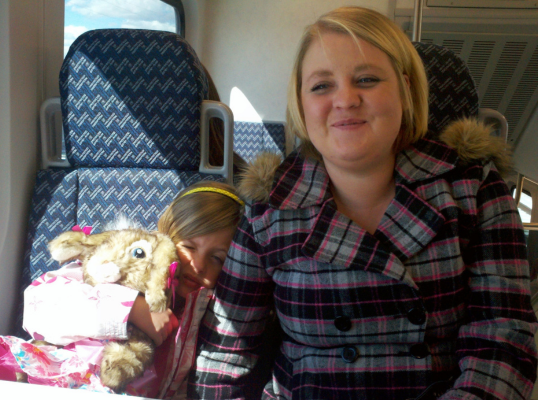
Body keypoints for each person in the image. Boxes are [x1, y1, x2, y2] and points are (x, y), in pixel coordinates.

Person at [188, 6, 538, 400]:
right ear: (302, 104)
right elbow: (227, 351)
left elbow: (504, 343)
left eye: (367, 79)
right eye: (321, 86)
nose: (345, 99)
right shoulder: (268, 210)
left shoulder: (474, 191)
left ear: (405, 90)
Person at [0, 181, 243, 398]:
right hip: (60, 374)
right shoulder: (123, 260)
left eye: (217, 258)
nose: (197, 265)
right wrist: (131, 311)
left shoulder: (214, 314)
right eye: (189, 247)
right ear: (167, 236)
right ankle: (5, 366)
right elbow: (37, 304)